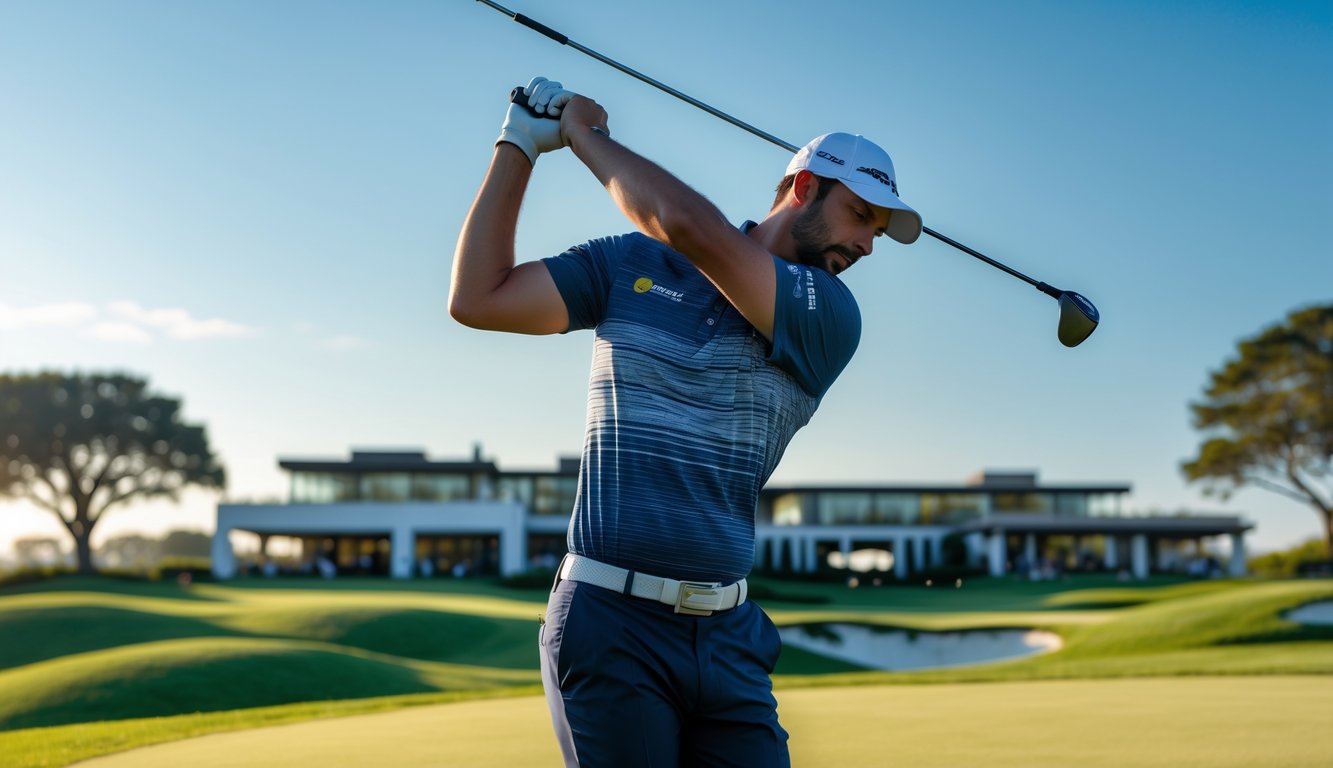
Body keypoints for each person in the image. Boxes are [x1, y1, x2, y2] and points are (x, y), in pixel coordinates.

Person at [450, 77, 922, 767]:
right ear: (802, 188)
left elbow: (692, 230)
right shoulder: (629, 262)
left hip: (727, 636)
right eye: (859, 216)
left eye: (878, 231)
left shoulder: (829, 313)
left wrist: (587, 137)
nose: (866, 246)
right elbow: (479, 298)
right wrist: (519, 142)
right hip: (610, 623)